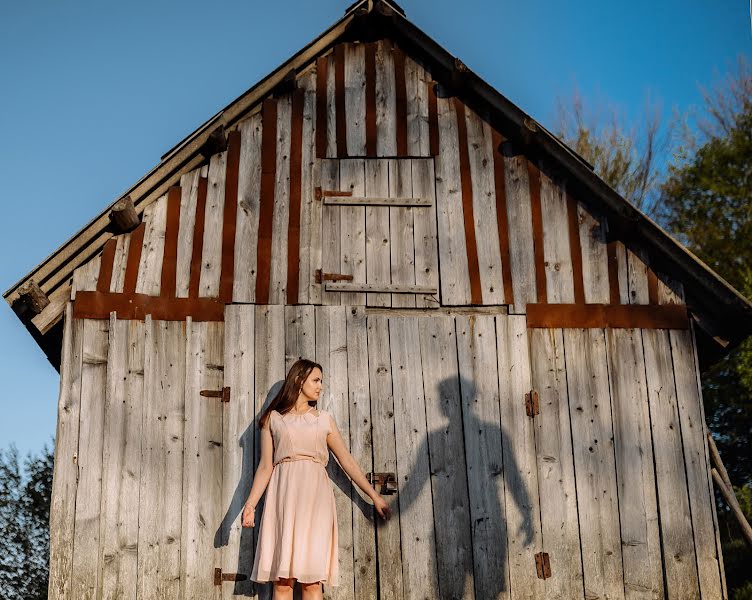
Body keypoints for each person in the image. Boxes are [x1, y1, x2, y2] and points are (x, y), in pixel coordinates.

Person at [242, 358, 392, 600]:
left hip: (315, 501)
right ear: (299, 380)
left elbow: (347, 461)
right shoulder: (273, 419)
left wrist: (374, 496)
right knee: (283, 583)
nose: (320, 386)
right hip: (284, 498)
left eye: (321, 381)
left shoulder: (323, 419)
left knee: (312, 583)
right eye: (316, 380)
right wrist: (250, 505)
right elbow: (265, 466)